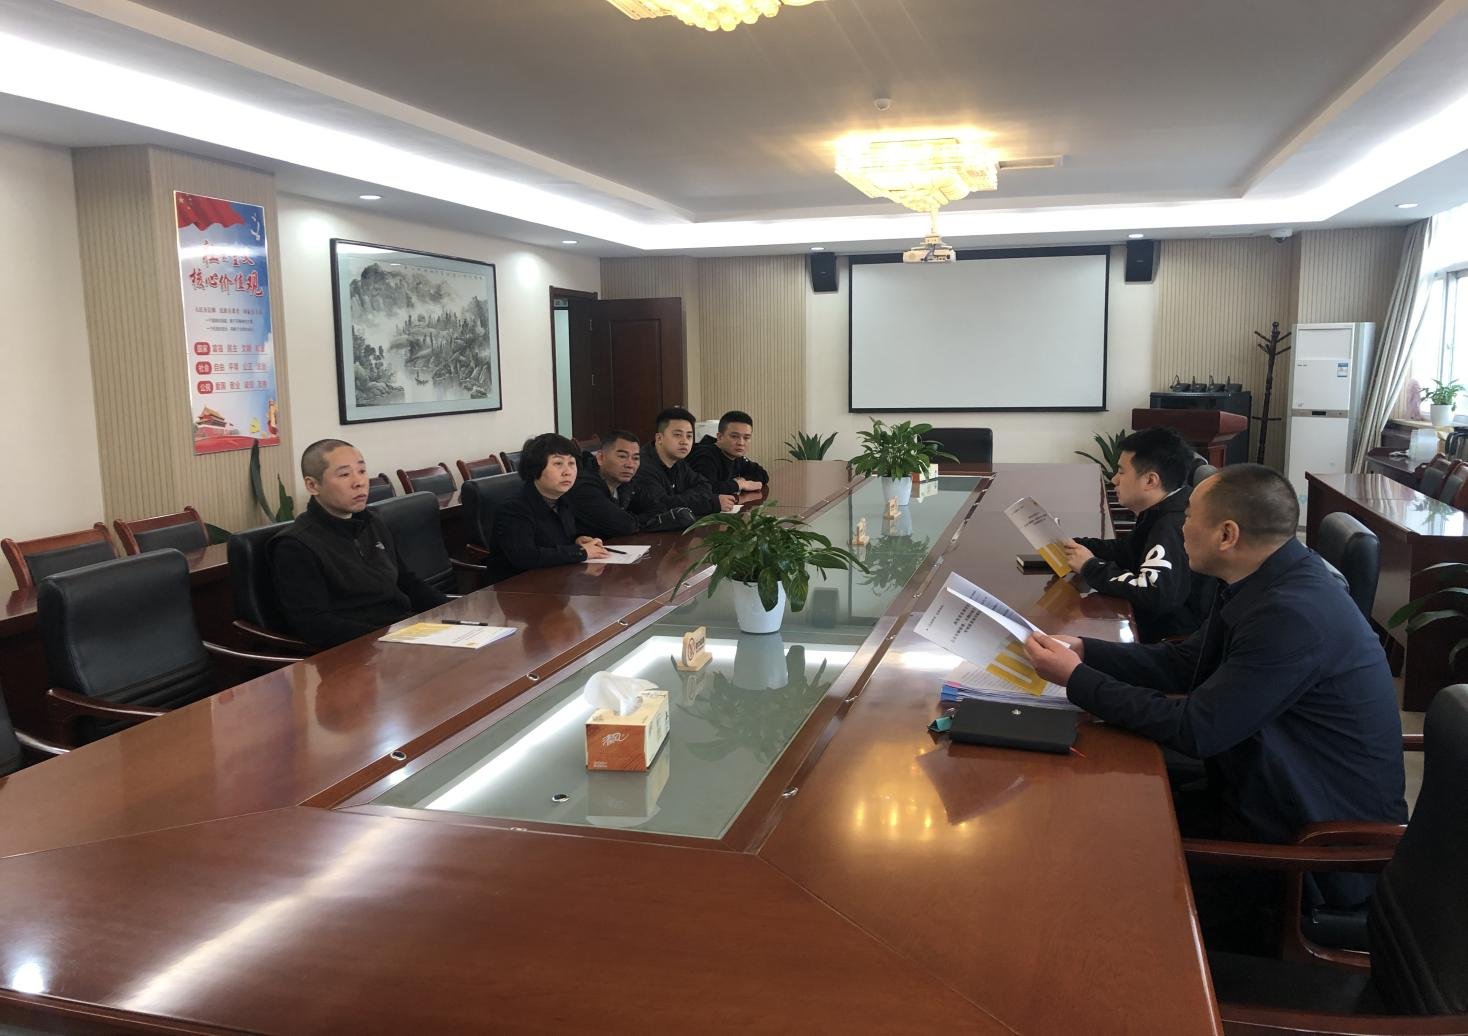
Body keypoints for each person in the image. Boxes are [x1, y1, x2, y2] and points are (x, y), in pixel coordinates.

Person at [1023, 464, 1406, 948]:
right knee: (1089, 806)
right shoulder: (1267, 579)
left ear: (1227, 535)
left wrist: (1076, 679)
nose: (1180, 527)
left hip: (1311, 854)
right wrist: (1084, 651)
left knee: (1086, 874)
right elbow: (1186, 663)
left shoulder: (1291, 613)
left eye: (1189, 517)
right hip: (1256, 786)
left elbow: (1196, 729)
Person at [270, 438, 448, 650]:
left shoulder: (372, 521)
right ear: (312, 485)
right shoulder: (295, 545)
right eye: (344, 475)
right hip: (359, 650)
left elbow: (405, 581)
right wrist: (391, 639)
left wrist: (452, 610)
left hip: (404, 634)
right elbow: (316, 625)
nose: (359, 482)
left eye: (362, 471)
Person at [1061, 426, 1215, 642]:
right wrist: (1077, 545)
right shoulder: (1165, 507)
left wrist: (1090, 567)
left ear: (1150, 480)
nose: (1114, 480)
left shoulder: (1171, 525)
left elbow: (1156, 594)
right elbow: (1130, 550)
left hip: (1168, 640)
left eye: (1121, 472)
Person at [484, 432, 610, 584]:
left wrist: (577, 540)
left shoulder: (563, 499)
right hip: (517, 589)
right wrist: (580, 552)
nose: (567, 472)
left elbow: (553, 539)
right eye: (558, 464)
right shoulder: (513, 509)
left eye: (571, 463)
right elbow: (525, 557)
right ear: (535, 468)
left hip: (555, 582)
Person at [566, 429, 695, 538]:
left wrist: (633, 520)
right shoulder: (583, 486)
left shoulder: (626, 482)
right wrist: (639, 520)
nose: (630, 465)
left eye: (636, 458)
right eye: (622, 456)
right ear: (600, 458)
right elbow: (624, 525)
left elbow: (659, 507)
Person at [631, 407, 736, 517]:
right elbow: (660, 506)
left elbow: (705, 485)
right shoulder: (641, 465)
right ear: (659, 438)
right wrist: (711, 503)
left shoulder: (677, 461)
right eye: (677, 435)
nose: (684, 441)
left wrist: (677, 499)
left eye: (689, 436)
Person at [688, 409, 770, 496]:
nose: (741, 443)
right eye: (734, 436)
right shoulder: (705, 456)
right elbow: (706, 489)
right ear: (720, 437)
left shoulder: (735, 455)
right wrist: (739, 485)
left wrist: (742, 480)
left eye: (746, 438)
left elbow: (762, 474)